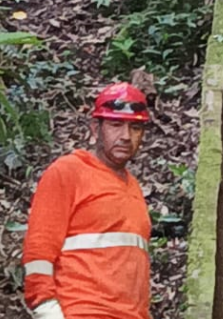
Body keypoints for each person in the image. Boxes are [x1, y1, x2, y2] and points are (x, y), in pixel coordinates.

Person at [21, 83, 152, 319]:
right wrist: (47, 309)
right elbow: (39, 250)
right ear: (95, 129)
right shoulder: (68, 172)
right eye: (115, 125)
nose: (125, 136)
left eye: (134, 128)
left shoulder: (133, 187)